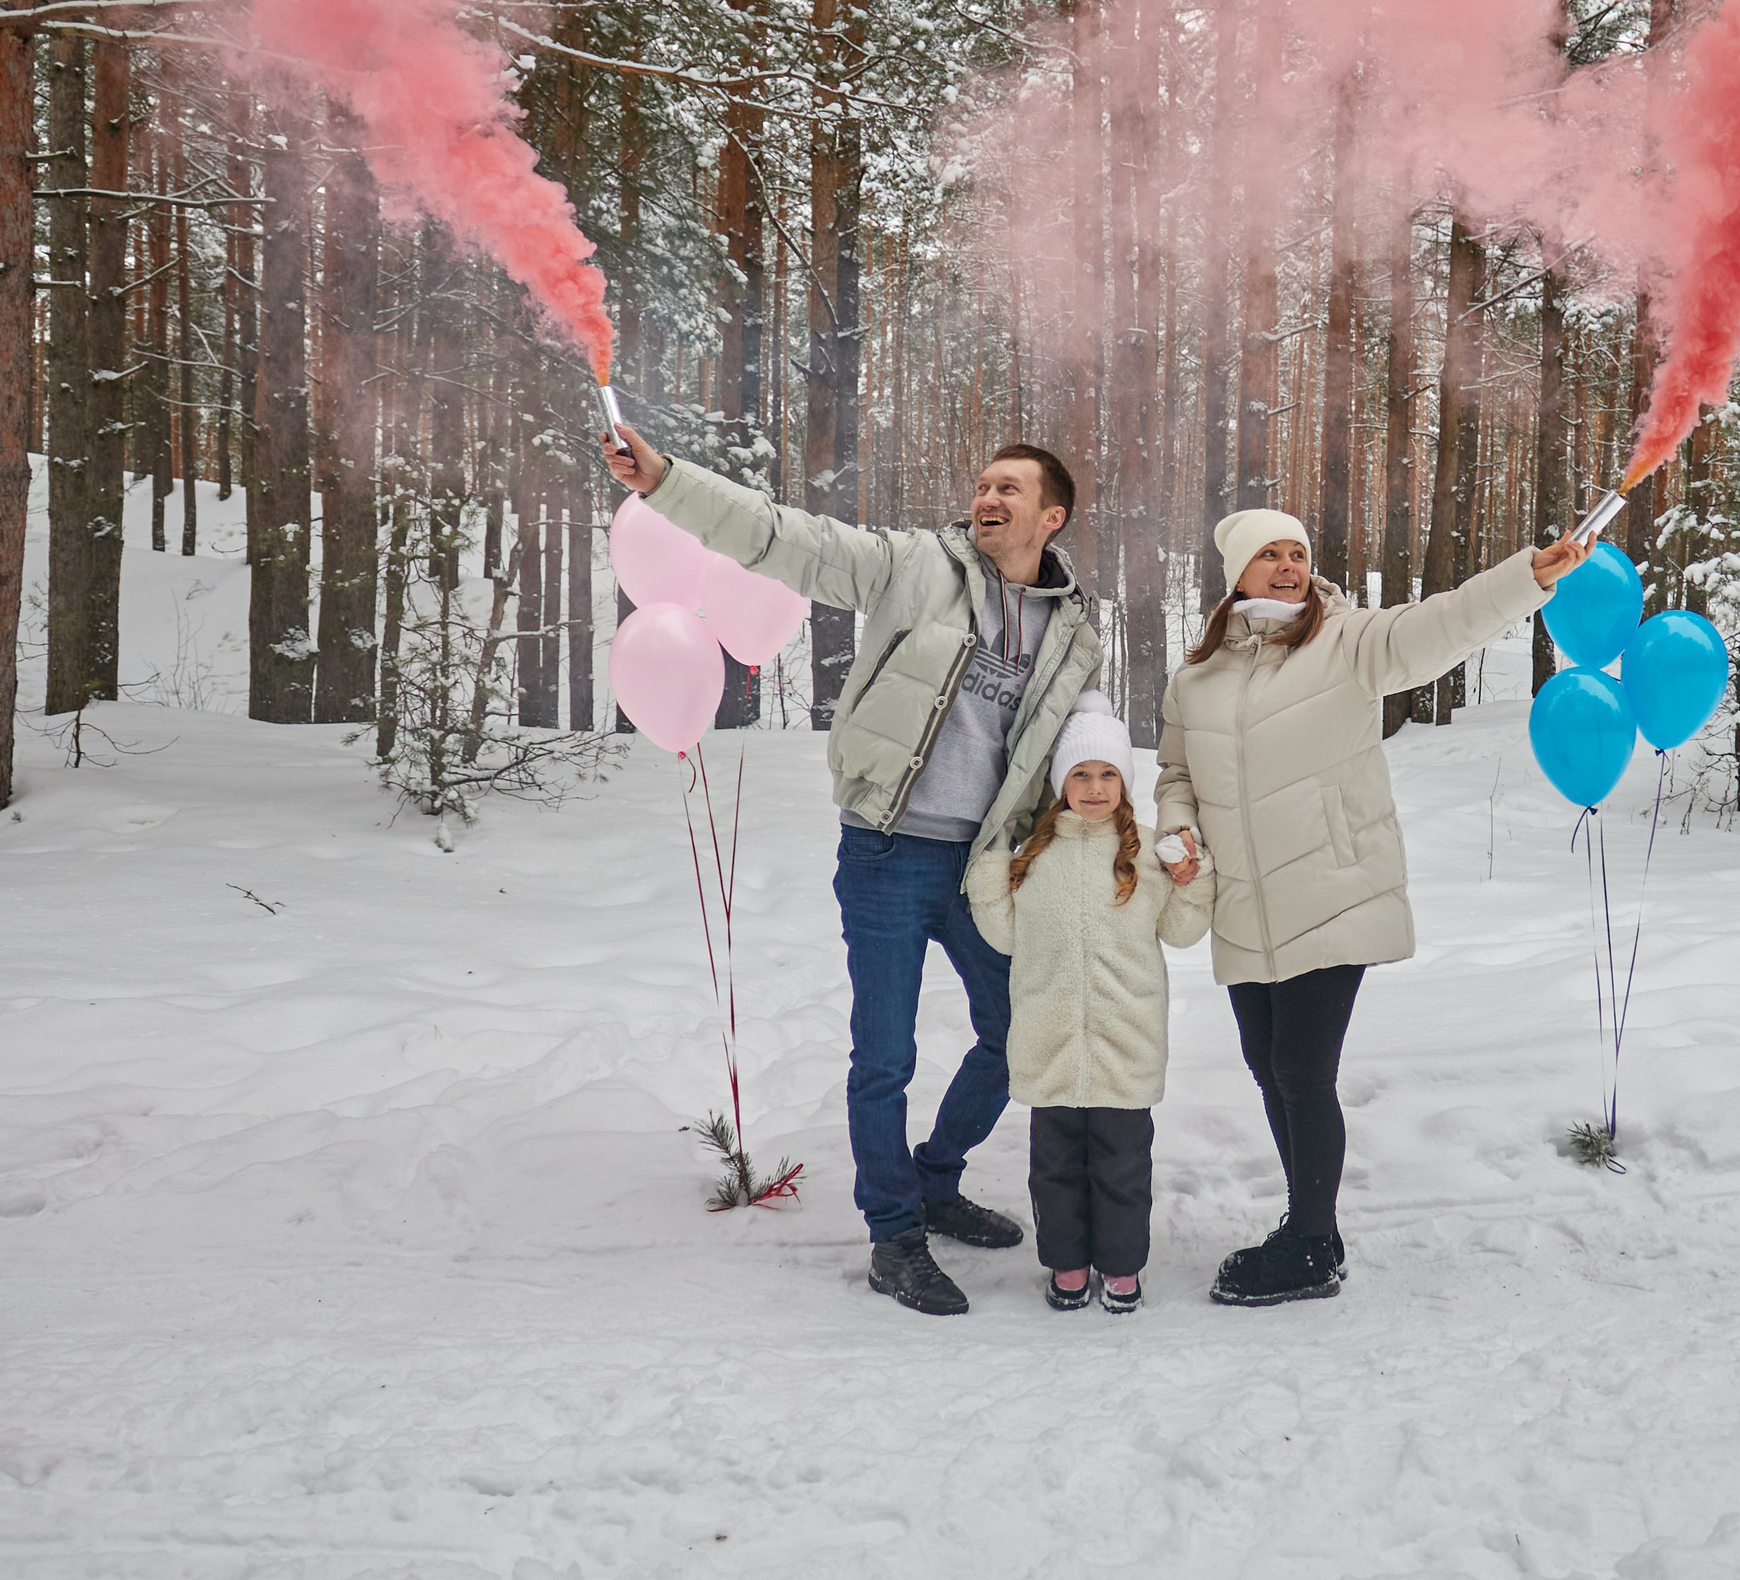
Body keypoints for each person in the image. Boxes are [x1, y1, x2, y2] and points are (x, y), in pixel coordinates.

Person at [604, 423, 1103, 1317]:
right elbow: (781, 536)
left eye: (1010, 490)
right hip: (888, 846)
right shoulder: (916, 566)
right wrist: (666, 481)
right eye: (982, 484)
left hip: (982, 865)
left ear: (1052, 516)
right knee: (886, 1053)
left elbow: (1077, 749)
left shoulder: (1074, 633)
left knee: (1016, 1032)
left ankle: (935, 1181)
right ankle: (894, 1233)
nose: (986, 498)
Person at [1156, 507, 1586, 1307]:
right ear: (1236, 573)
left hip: (1335, 885)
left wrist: (1526, 577)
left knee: (1300, 1068)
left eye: (1297, 552)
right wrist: (1178, 831)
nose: (1287, 565)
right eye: (1269, 554)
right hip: (1245, 901)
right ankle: (1308, 1222)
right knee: (1265, 1065)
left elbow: (1444, 623)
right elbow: (1175, 773)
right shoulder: (1196, 677)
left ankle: (1312, 1244)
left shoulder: (1349, 642)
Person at [966, 692, 1214, 1314]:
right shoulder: (1034, 855)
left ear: (1125, 784)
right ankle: (1068, 1265)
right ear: (1060, 783)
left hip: (1124, 1042)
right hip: (1049, 1044)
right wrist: (991, 873)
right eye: (1081, 774)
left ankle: (1123, 1268)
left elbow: (1183, 931)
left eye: (1108, 774)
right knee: (1054, 1170)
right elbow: (1002, 935)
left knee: (1123, 1167)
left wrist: (1192, 879)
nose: (1096, 787)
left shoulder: (1148, 852)